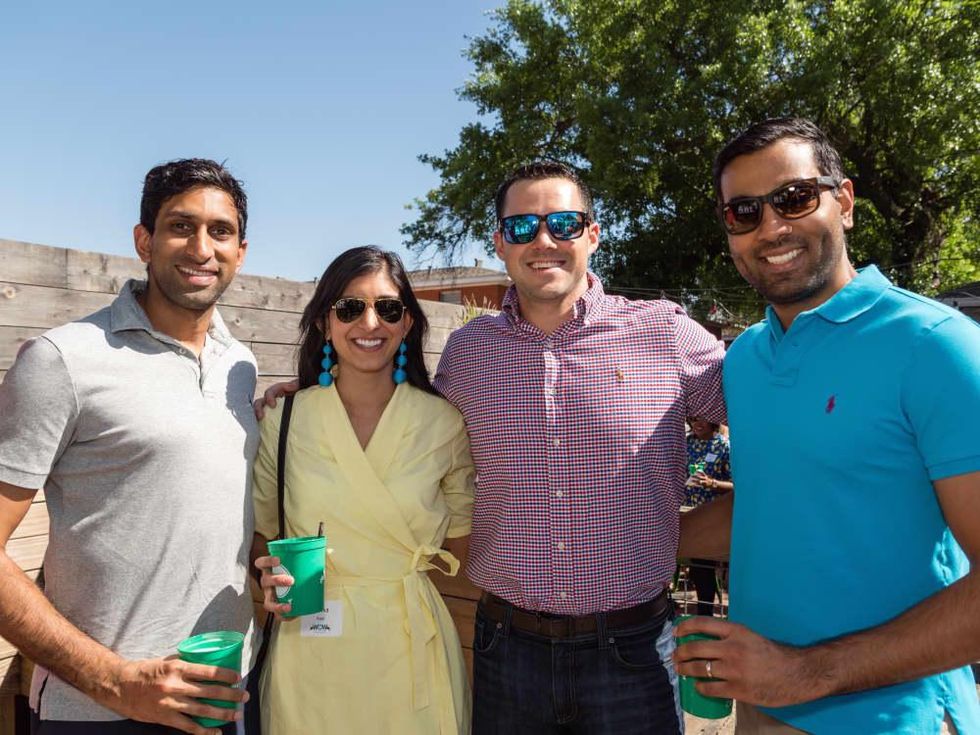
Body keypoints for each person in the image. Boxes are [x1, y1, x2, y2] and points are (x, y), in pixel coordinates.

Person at [676, 117, 980, 734]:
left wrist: (804, 672)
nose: (772, 228)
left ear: (844, 202)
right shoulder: (746, 359)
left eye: (794, 198)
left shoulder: (937, 346)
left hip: (897, 718)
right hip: (760, 708)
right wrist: (632, 544)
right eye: (744, 212)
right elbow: (778, 506)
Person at [433, 161, 727, 734]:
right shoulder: (466, 354)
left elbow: (773, 416)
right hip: (506, 647)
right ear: (500, 243)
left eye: (563, 223)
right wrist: (313, 386)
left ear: (592, 235)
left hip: (635, 651)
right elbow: (409, 434)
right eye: (521, 227)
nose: (543, 241)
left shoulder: (665, 332)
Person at [0, 159, 259, 735]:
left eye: (221, 231)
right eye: (180, 226)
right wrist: (115, 681)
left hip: (229, 695)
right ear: (144, 240)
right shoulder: (62, 359)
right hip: (98, 711)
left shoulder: (241, 365)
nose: (201, 247)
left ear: (242, 251)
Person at [250, 246, 474, 734]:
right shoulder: (284, 419)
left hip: (411, 642)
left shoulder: (444, 422)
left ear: (407, 323)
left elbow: (462, 542)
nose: (369, 323)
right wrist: (268, 579)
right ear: (324, 323)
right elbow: (264, 538)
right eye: (350, 307)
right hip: (311, 638)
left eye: (387, 308)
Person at [681, 417, 732, 616]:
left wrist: (712, 484)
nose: (697, 423)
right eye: (693, 419)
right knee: (692, 568)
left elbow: (737, 485)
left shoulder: (724, 446)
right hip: (685, 513)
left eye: (702, 419)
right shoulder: (686, 442)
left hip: (711, 518)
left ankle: (705, 615)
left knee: (703, 570)